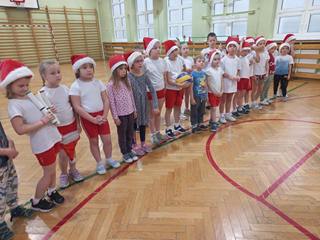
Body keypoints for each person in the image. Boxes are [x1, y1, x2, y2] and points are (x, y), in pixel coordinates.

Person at [3, 59, 63, 212]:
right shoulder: (14, 105)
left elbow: (41, 113)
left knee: (52, 170)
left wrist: (49, 111)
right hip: (41, 143)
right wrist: (44, 120)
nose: (25, 88)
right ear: (9, 86)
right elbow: (20, 129)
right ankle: (37, 201)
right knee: (48, 172)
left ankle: (51, 191)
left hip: (52, 137)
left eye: (27, 85)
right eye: (20, 86)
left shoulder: (30, 96)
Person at [69, 55, 120, 175]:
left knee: (107, 140)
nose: (89, 70)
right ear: (78, 70)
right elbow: (77, 106)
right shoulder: (75, 86)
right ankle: (99, 162)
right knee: (94, 141)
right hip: (88, 118)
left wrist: (104, 115)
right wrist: (92, 119)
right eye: (85, 67)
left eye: (91, 67)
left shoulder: (98, 82)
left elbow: (106, 100)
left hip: (101, 116)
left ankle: (108, 158)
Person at [39, 60, 84, 188]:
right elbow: (43, 116)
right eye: (53, 73)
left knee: (72, 152)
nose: (57, 75)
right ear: (44, 76)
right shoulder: (43, 93)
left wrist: (78, 123)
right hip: (57, 129)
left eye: (58, 72)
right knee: (63, 155)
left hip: (71, 125)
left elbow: (73, 107)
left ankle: (73, 170)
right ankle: (63, 174)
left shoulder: (65, 89)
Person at [0, 107, 35, 240]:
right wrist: (5, 151)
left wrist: (9, 141)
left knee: (11, 185)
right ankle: (0, 223)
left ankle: (15, 208)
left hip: (5, 162)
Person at [124, 51, 160, 155]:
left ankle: (143, 143)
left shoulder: (144, 76)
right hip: (133, 106)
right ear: (131, 63)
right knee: (134, 126)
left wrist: (155, 105)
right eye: (137, 61)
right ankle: (134, 144)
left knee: (143, 124)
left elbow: (152, 90)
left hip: (144, 105)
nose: (140, 63)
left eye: (141, 61)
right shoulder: (128, 77)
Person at [107, 55, 138, 163]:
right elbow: (111, 103)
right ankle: (124, 152)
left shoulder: (127, 81)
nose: (124, 71)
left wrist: (134, 110)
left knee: (130, 133)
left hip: (130, 112)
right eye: (121, 69)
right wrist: (115, 117)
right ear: (115, 70)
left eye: (125, 68)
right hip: (120, 115)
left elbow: (131, 96)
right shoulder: (110, 85)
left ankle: (130, 150)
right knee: (122, 135)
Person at [142, 37, 168, 145]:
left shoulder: (163, 61)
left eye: (159, 47)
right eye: (155, 48)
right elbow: (142, 77)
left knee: (158, 113)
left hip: (161, 90)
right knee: (151, 114)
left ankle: (158, 132)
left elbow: (164, 75)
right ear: (149, 50)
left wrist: (164, 86)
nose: (158, 50)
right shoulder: (145, 62)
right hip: (150, 92)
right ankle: (152, 134)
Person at [164, 40, 191, 138]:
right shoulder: (166, 62)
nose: (175, 53)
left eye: (176, 50)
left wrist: (187, 79)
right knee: (168, 109)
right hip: (171, 89)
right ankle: (167, 128)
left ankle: (176, 125)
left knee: (178, 107)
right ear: (168, 53)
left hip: (180, 88)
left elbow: (182, 73)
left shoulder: (179, 60)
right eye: (172, 51)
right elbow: (168, 80)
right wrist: (180, 85)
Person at [219, 36, 241, 123]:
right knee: (223, 99)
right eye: (230, 46)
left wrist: (238, 76)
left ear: (236, 48)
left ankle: (228, 113)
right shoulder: (223, 59)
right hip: (225, 82)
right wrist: (229, 76)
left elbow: (238, 70)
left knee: (229, 99)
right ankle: (221, 115)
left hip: (233, 83)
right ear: (227, 48)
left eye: (234, 46)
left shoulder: (238, 59)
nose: (232, 48)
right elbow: (221, 72)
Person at [205, 51, 224, 132]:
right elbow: (208, 83)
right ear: (211, 60)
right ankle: (213, 123)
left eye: (218, 59)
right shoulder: (209, 70)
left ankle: (211, 120)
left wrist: (222, 90)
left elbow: (222, 81)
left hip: (219, 93)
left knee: (215, 107)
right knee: (213, 109)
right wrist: (213, 92)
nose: (217, 61)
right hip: (212, 93)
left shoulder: (220, 70)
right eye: (215, 59)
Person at [190, 55, 208, 133]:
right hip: (196, 95)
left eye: (203, 61)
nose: (201, 63)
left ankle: (200, 123)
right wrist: (192, 98)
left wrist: (206, 96)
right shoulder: (192, 74)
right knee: (194, 110)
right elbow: (190, 87)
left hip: (203, 95)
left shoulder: (204, 74)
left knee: (202, 110)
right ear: (195, 63)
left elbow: (205, 85)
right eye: (199, 61)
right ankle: (194, 125)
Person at [251, 36, 269, 110]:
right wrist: (253, 74)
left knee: (260, 89)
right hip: (256, 74)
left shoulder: (266, 53)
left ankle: (255, 101)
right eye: (260, 44)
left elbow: (267, 64)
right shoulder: (253, 53)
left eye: (263, 43)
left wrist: (267, 73)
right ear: (257, 45)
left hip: (263, 73)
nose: (262, 45)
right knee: (254, 89)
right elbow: (255, 62)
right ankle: (253, 103)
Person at [234, 39, 251, 117]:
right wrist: (241, 43)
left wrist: (249, 81)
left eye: (248, 51)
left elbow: (248, 70)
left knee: (242, 94)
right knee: (238, 94)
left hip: (246, 78)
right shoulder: (239, 58)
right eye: (245, 51)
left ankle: (240, 107)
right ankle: (236, 108)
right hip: (240, 78)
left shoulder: (246, 59)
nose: (246, 53)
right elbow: (239, 51)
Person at [277, 33, 296, 98]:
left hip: (289, 64)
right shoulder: (282, 46)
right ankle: (280, 91)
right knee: (281, 79)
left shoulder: (292, 47)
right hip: (282, 65)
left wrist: (291, 47)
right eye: (291, 40)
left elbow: (293, 56)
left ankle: (283, 91)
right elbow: (279, 55)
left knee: (286, 79)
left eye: (293, 40)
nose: (292, 42)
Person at [180, 42, 194, 116]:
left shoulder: (190, 59)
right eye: (184, 48)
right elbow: (179, 69)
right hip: (182, 80)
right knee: (181, 95)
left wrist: (191, 69)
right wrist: (185, 70)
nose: (186, 50)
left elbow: (193, 67)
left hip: (189, 79)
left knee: (187, 94)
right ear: (180, 50)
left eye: (187, 48)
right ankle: (179, 110)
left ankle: (186, 108)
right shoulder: (180, 59)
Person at [243, 36, 255, 111]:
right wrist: (248, 64)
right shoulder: (243, 54)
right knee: (242, 91)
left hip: (250, 74)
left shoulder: (253, 53)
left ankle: (246, 103)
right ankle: (239, 105)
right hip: (244, 75)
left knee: (248, 90)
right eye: (249, 44)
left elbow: (257, 60)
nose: (250, 46)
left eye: (252, 44)